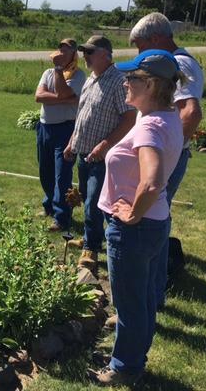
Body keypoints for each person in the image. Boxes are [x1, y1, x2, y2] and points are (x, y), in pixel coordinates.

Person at [91, 50, 184, 386]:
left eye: (131, 78)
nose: (125, 83)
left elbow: (153, 180)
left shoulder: (150, 127)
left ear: (151, 84)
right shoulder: (167, 117)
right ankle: (134, 357)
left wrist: (132, 213)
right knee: (143, 298)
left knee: (130, 302)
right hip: (156, 223)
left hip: (135, 229)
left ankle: (124, 367)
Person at [129, 12, 204, 308]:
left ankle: (152, 293)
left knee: (151, 221)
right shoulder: (177, 61)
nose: (140, 55)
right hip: (164, 156)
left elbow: (191, 112)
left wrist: (165, 153)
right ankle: (152, 291)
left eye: (141, 47)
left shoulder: (179, 64)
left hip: (165, 159)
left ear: (157, 39)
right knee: (155, 219)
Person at [63, 36, 136, 270]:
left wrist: (104, 145)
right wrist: (71, 142)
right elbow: (82, 115)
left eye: (90, 52)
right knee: (87, 198)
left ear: (106, 54)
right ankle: (90, 237)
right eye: (84, 52)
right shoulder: (91, 79)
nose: (85, 56)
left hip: (103, 157)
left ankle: (91, 250)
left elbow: (130, 119)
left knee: (94, 203)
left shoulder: (118, 81)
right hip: (84, 153)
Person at [35, 39, 86, 231]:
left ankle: (62, 217)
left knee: (62, 175)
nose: (62, 54)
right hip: (44, 128)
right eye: (60, 49)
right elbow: (39, 96)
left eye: (67, 51)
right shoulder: (47, 73)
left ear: (74, 54)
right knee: (45, 171)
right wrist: (63, 98)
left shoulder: (78, 75)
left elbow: (64, 92)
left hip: (65, 129)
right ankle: (49, 206)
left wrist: (58, 70)